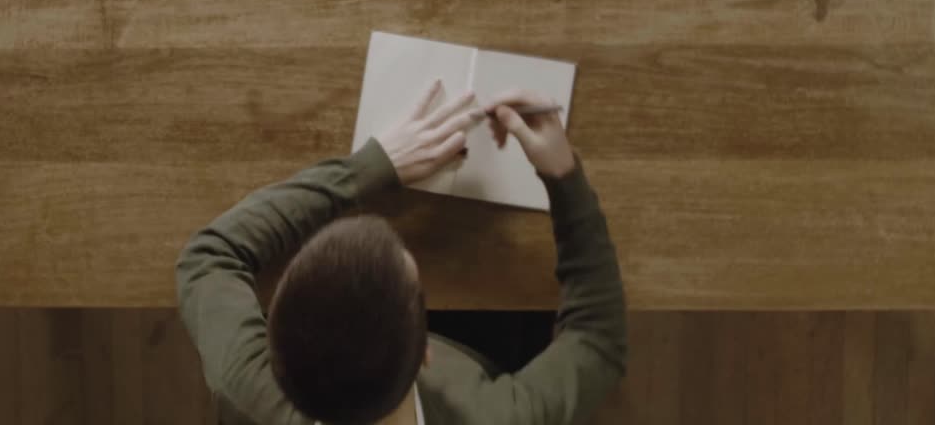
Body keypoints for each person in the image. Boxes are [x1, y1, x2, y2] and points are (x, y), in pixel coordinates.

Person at [176, 81, 627, 424]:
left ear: (272, 347)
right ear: (425, 354)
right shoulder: (493, 414)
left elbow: (210, 254)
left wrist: (371, 165)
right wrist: (563, 176)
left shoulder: (247, 387)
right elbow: (597, 338)